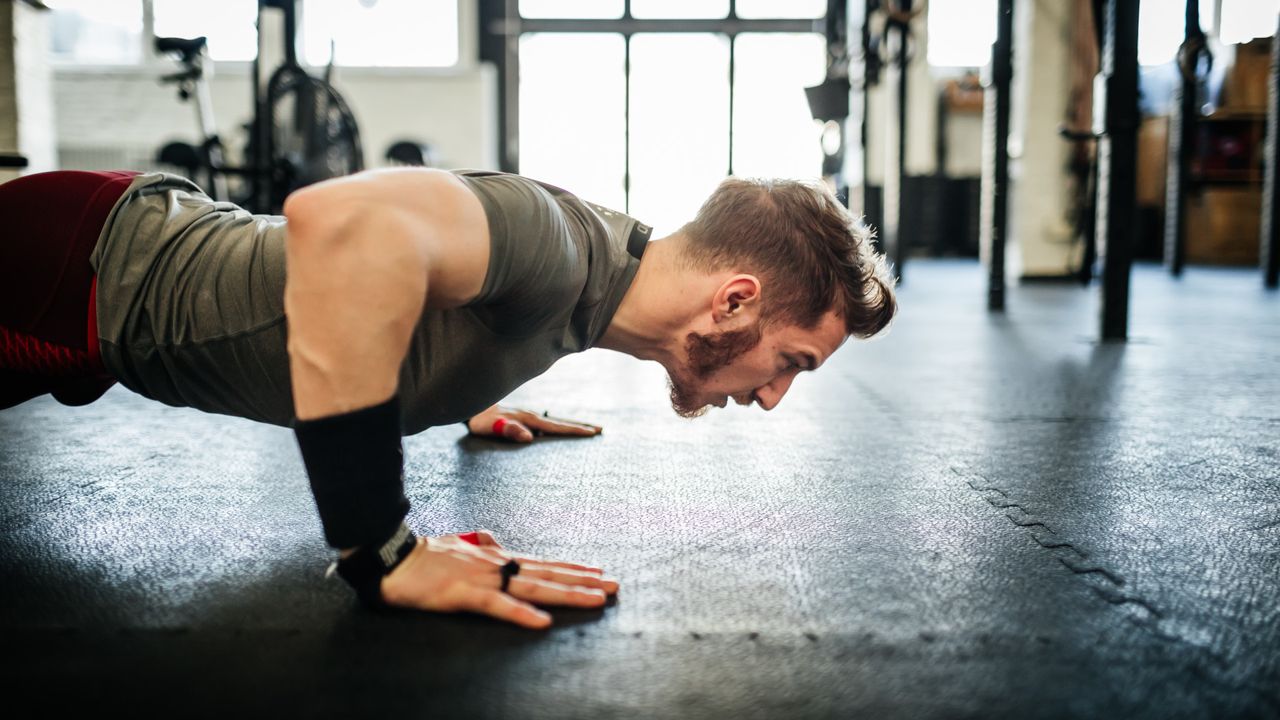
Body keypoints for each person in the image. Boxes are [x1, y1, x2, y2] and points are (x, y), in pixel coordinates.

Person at [0, 167, 897, 629]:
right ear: (736, 298)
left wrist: (457, 392)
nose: (776, 396)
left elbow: (444, 287)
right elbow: (337, 226)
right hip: (67, 271)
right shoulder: (559, 249)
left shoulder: (594, 288)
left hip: (100, 288)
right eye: (793, 361)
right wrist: (380, 547)